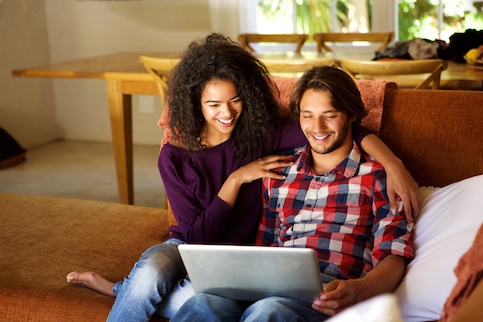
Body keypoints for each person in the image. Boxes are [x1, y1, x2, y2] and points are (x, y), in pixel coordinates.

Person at [66, 34, 417, 321]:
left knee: (228, 305)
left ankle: (117, 288)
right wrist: (235, 180)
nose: (226, 112)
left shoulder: (270, 140)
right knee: (174, 288)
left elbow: (392, 252)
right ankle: (128, 288)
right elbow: (201, 238)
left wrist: (395, 164)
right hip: (205, 252)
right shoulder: (191, 159)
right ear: (195, 104)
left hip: (297, 280)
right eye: (213, 104)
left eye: (235, 100)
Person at [170, 66, 414, 322]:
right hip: (272, 285)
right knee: (202, 304)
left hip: (331, 291)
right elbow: (265, 246)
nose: (317, 127)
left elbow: (394, 255)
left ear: (351, 115)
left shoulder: (380, 177)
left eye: (329, 115)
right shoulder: (279, 173)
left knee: (269, 311)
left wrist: (358, 290)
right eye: (307, 115)